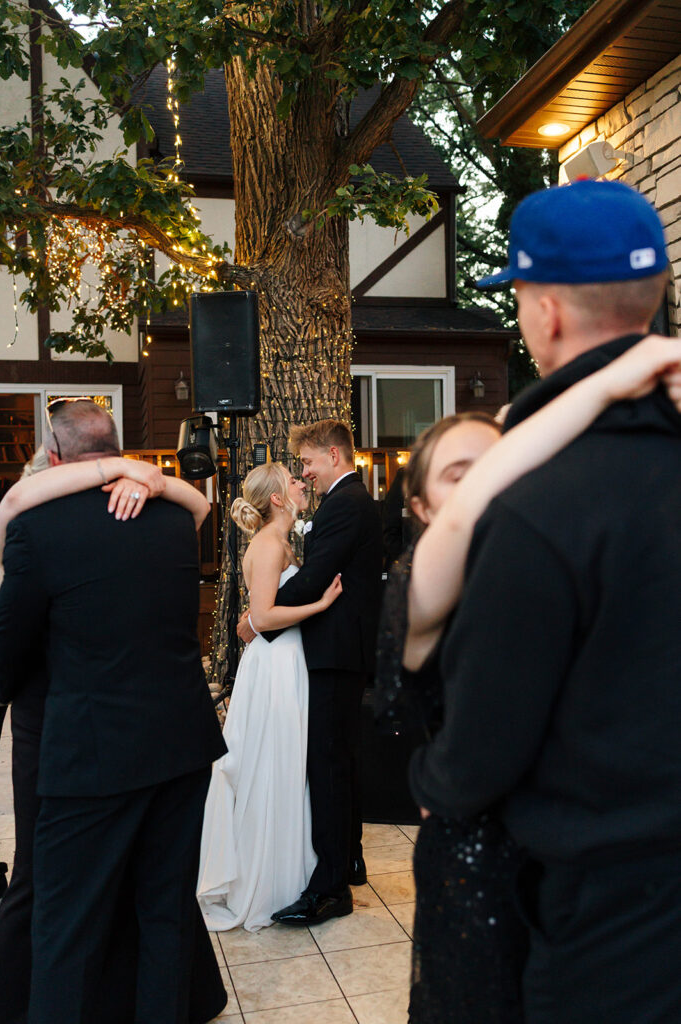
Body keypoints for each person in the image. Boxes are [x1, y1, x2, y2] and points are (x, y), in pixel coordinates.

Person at [409, 178, 681, 1024]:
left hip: (611, 923)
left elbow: (484, 746)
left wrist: (432, 780)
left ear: (545, 312)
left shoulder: (535, 509)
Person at [0, 399, 226, 1024]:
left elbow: (7, 654)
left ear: (52, 457)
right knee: (166, 913)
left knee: (66, 927)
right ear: (119, 448)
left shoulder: (35, 529)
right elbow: (202, 501)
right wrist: (150, 476)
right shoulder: (175, 518)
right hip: (181, 745)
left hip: (92, 755)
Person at [239, 420, 383, 926]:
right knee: (338, 759)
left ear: (334, 455)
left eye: (308, 463)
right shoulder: (347, 502)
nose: (306, 473)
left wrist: (259, 621)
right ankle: (348, 859)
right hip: (335, 650)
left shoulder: (346, 503)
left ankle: (330, 889)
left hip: (335, 650)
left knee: (327, 764)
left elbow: (319, 579)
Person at [198, 462, 342, 931]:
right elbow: (261, 616)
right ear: (278, 499)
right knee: (273, 761)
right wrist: (319, 605)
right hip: (275, 665)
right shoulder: (267, 544)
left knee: (286, 762)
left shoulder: (280, 541)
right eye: (293, 481)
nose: (302, 484)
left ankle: (289, 873)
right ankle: (267, 881)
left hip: (286, 659)